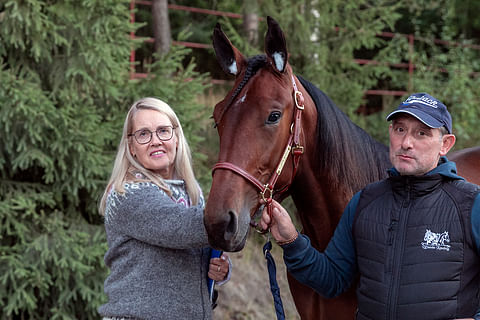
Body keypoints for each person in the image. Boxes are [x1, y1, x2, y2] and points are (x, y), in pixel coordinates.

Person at [261, 93, 480, 320]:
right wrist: (292, 241)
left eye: (421, 133)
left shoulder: (471, 204)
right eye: (400, 129)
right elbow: (332, 280)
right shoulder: (364, 202)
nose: (406, 143)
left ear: (445, 144)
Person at [98, 97, 231, 320]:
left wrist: (220, 267)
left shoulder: (192, 192)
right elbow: (182, 228)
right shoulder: (126, 193)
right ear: (131, 145)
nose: (155, 141)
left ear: (176, 137)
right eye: (143, 134)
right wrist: (246, 203)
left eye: (163, 131)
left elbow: (202, 243)